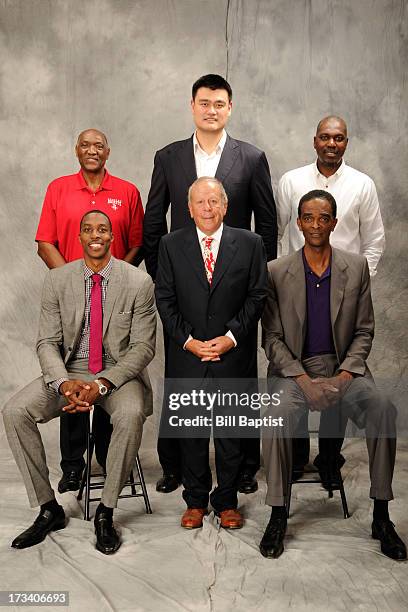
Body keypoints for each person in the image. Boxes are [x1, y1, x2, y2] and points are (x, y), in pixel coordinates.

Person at [144, 74, 277, 494]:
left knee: (237, 381)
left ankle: (242, 469)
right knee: (184, 379)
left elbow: (267, 222)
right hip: (183, 285)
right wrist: (164, 276)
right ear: (192, 106)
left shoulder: (251, 158)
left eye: (219, 103)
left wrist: (255, 276)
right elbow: (153, 221)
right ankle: (176, 465)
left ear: (230, 108)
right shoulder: (168, 157)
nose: (211, 109)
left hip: (235, 286)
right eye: (204, 102)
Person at [260, 190, 406, 561]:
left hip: (345, 369)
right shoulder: (277, 271)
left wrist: (343, 378)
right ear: (298, 223)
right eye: (308, 217)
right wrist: (304, 382)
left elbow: (364, 331)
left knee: (382, 409)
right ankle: (278, 514)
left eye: (323, 218)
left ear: (334, 223)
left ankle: (381, 515)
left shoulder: (355, 267)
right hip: (294, 371)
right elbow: (272, 340)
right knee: (274, 417)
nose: (315, 225)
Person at [3, 211, 156, 554]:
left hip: (117, 373)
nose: (95, 235)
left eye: (102, 229)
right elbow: (47, 341)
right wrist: (62, 384)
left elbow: (144, 347)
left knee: (130, 415)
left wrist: (102, 384)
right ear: (81, 237)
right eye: (88, 229)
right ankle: (48, 508)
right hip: (69, 368)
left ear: (112, 237)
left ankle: (106, 510)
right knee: (14, 412)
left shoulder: (138, 282)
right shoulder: (58, 280)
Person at [35, 128, 145, 494]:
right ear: (76, 150)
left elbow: (136, 244)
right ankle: (71, 466)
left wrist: (109, 280)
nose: (92, 150)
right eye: (85, 145)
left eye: (99, 145)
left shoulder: (127, 191)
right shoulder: (58, 188)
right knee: (71, 369)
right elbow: (45, 242)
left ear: (108, 151)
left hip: (111, 294)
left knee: (107, 368)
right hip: (70, 296)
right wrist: (72, 281)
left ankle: (106, 457)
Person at [155, 177, 267, 529]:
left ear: (225, 206)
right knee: (192, 433)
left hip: (232, 354)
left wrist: (231, 337)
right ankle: (195, 501)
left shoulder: (250, 244)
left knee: (231, 433)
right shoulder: (171, 246)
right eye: (200, 202)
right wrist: (188, 341)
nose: (207, 208)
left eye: (213, 201)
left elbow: (257, 295)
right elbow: (165, 299)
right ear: (188, 209)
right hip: (188, 354)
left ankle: (227, 501)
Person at [277, 116, 385, 475]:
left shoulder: (362, 184)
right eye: (325, 137)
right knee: (296, 374)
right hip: (298, 290)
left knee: (338, 372)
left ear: (346, 143)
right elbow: (278, 233)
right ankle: (294, 459)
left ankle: (328, 459)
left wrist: (355, 287)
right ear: (315, 140)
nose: (331, 143)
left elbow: (373, 241)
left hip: (345, 295)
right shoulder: (291, 181)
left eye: (339, 138)